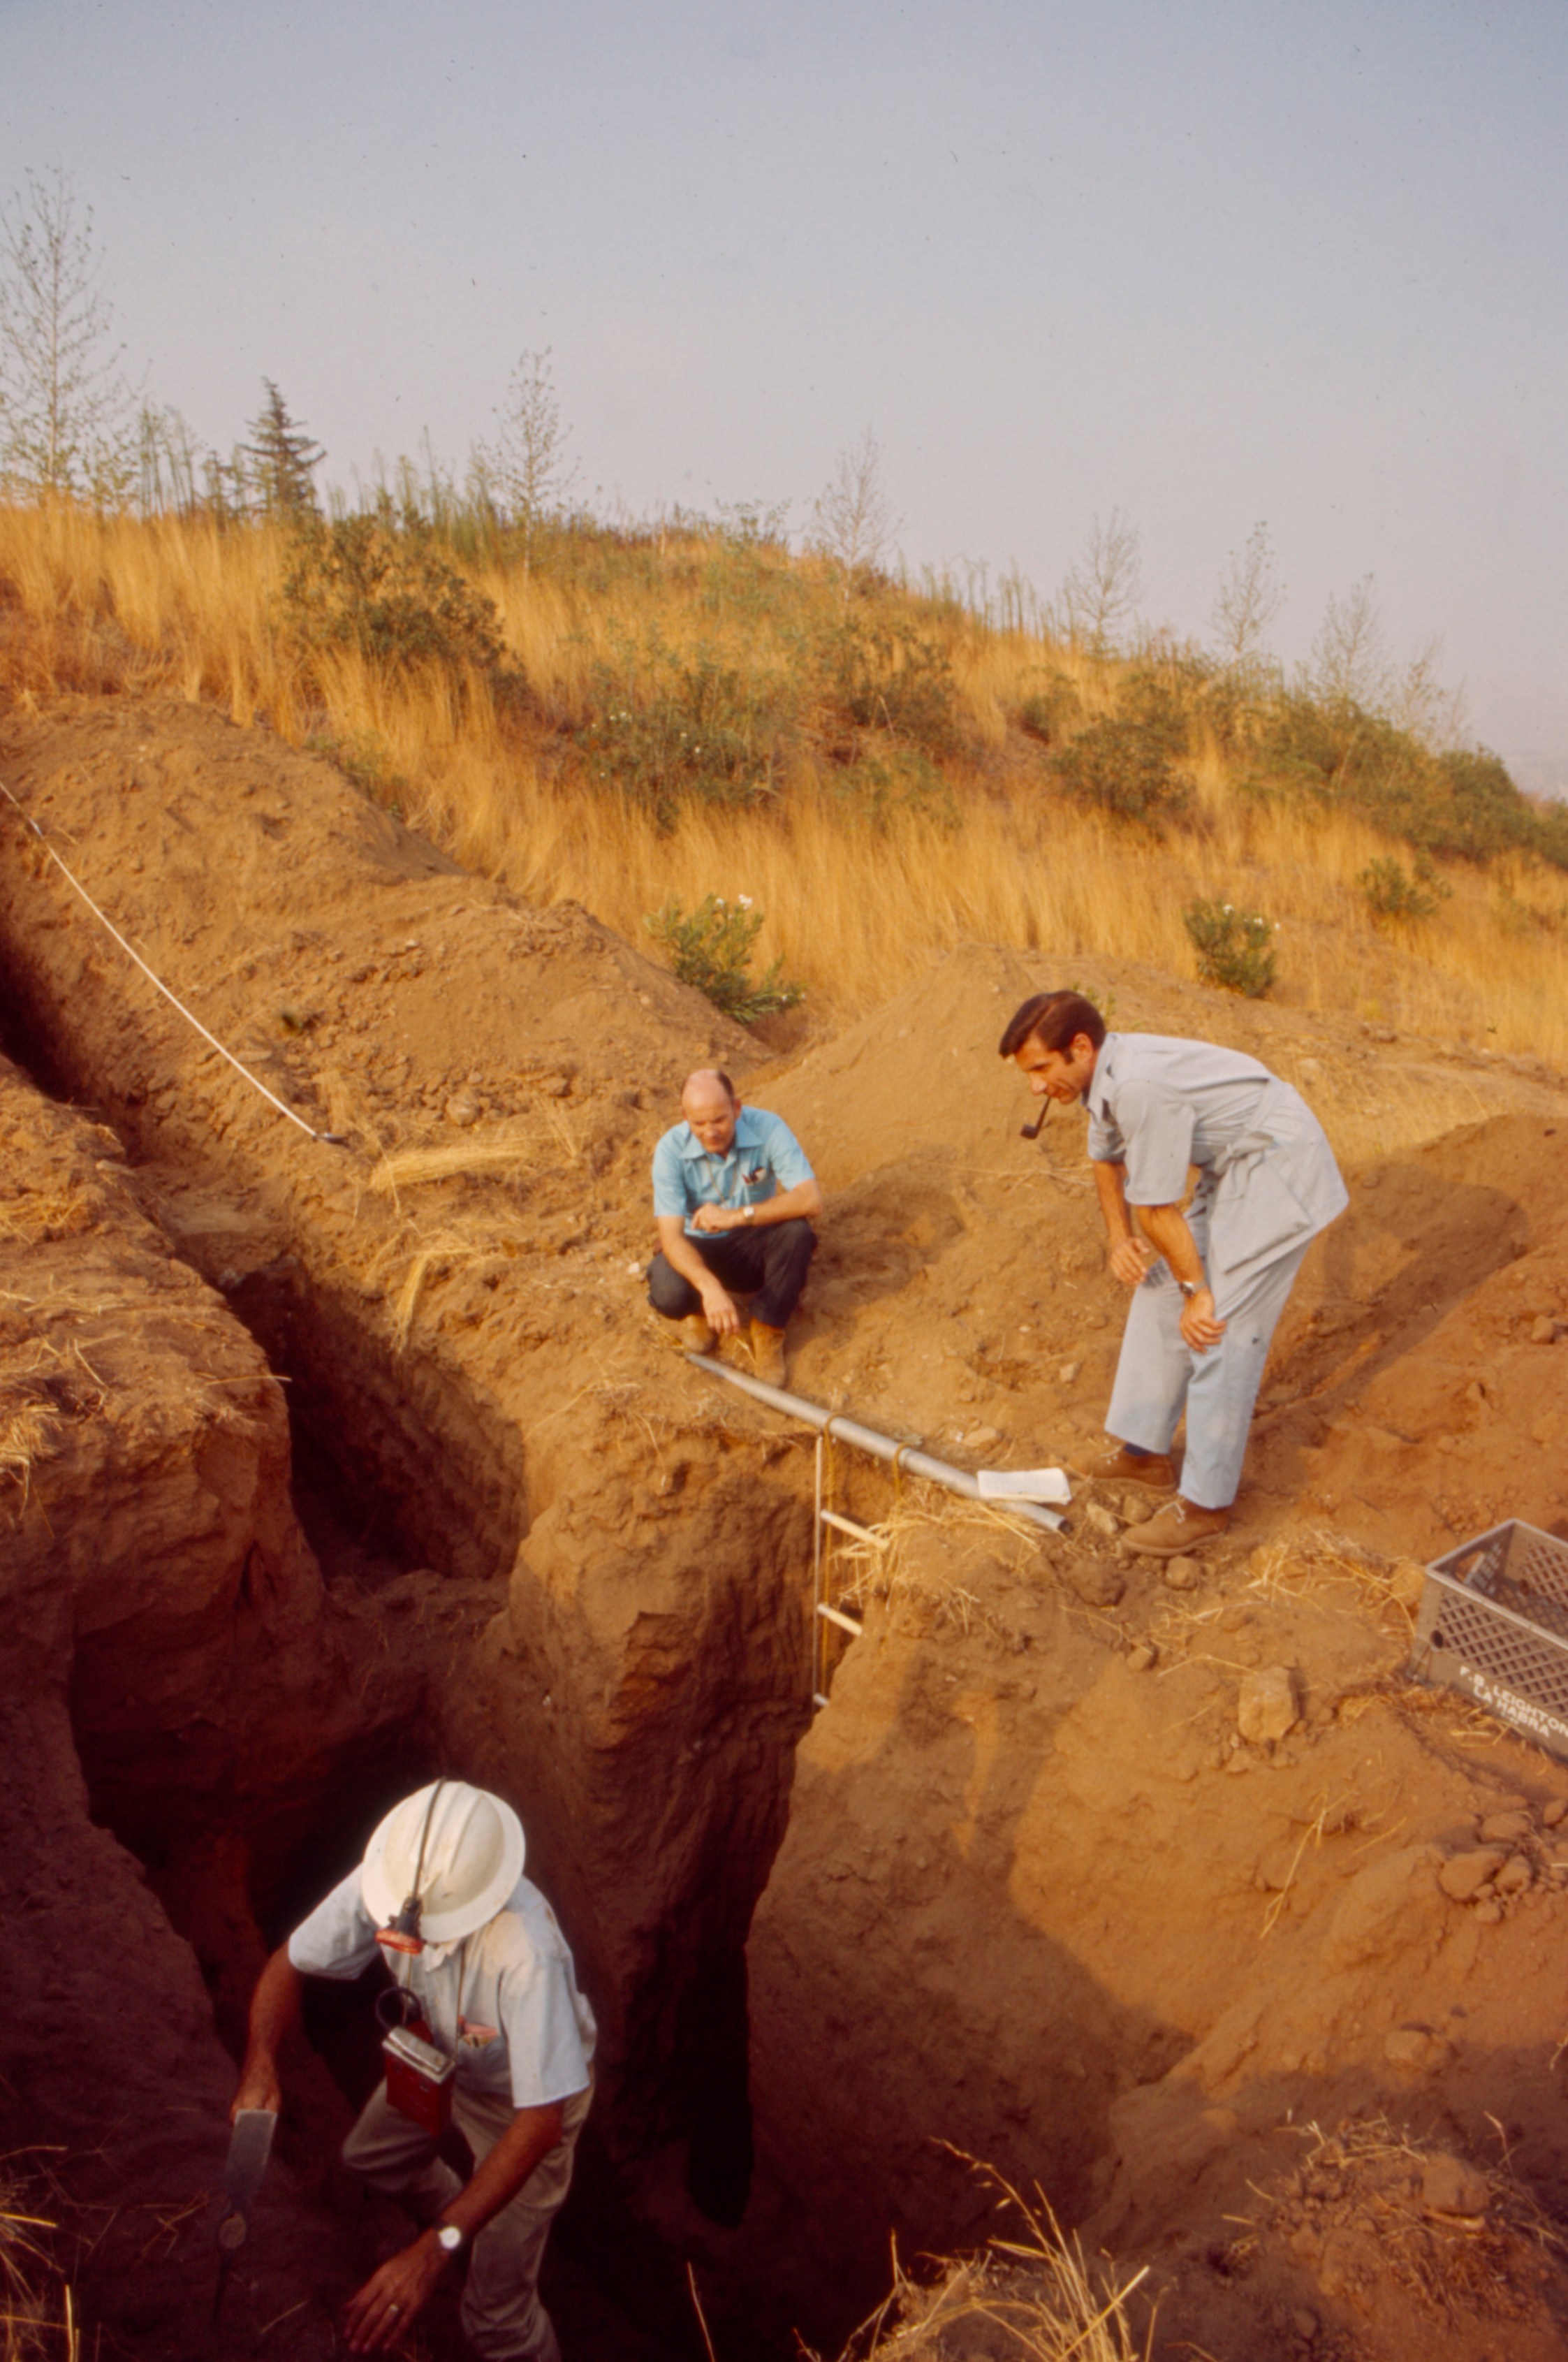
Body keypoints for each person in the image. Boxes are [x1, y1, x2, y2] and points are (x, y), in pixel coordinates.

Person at [233, 1780, 594, 2362]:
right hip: (437, 2055)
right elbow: (289, 1963)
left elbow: (541, 2122)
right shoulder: (391, 1881)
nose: (401, 1938)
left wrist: (432, 2252)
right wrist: (260, 2061)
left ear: (473, 1906)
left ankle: (462, 2240)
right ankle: (459, 2219)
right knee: (368, 2160)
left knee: (495, 2323)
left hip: (522, 2110)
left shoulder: (526, 1952)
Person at [1000, 990, 1347, 1555]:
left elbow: (1157, 1210)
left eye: (1040, 1068)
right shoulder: (1101, 1077)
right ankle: (1143, 1456)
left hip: (1276, 1161)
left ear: (1080, 1047)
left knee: (1217, 1326)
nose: (1035, 1087)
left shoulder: (1138, 1087)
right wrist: (1118, 1239)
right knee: (1159, 1291)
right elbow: (1104, 1157)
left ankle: (1205, 1506)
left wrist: (1200, 1292)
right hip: (1231, 1164)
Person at [648, 1067, 823, 1387]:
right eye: (698, 1123)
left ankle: (768, 1328)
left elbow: (810, 1199)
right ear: (683, 1115)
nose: (710, 1132)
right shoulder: (670, 1150)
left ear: (737, 1108)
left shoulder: (768, 1128)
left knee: (798, 1234)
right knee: (667, 1290)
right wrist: (708, 1287)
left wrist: (735, 1216)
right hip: (699, 1248)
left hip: (752, 1243)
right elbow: (670, 1236)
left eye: (720, 1120)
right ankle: (699, 1311)